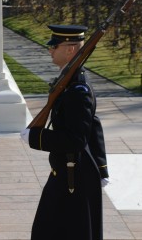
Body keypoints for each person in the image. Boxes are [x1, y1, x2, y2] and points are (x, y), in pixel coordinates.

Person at [20, 24, 109, 240]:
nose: (50, 50)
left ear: (70, 49)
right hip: (70, 172)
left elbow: (75, 139)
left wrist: (36, 137)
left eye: (54, 46)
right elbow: (93, 125)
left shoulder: (78, 90)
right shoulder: (70, 82)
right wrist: (101, 166)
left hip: (73, 178)